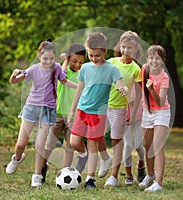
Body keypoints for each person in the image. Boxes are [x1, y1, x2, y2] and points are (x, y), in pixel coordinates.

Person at [5, 40, 77, 187]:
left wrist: (81, 87)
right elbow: (15, 81)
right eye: (45, 59)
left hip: (48, 110)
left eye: (51, 58)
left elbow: (64, 81)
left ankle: (37, 175)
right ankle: (17, 158)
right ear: (39, 56)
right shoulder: (33, 69)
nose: (48, 62)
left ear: (55, 57)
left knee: (40, 145)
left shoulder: (56, 68)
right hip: (31, 108)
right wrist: (14, 75)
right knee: (20, 144)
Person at [68, 32, 128, 189]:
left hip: (99, 113)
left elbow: (120, 83)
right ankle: (103, 158)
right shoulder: (86, 68)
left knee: (92, 145)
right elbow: (79, 89)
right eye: (91, 55)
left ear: (104, 52)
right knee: (75, 141)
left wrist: (124, 89)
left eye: (97, 55)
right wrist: (72, 110)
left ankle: (90, 179)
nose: (94, 58)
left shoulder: (111, 69)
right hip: (82, 109)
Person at [96, 31, 143, 187]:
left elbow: (139, 93)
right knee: (96, 135)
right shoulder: (112, 62)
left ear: (135, 49)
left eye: (129, 47)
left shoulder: (136, 69)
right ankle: (105, 159)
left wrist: (133, 113)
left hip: (120, 110)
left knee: (117, 142)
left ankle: (114, 177)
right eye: (123, 47)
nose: (126, 50)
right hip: (104, 106)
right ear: (119, 46)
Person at [41, 43, 86, 183]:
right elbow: (63, 76)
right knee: (49, 144)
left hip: (74, 115)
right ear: (68, 59)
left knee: (69, 146)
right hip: (58, 113)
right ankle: (42, 166)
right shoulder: (61, 70)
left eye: (81, 62)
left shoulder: (82, 74)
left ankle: (66, 171)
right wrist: (65, 60)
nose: (78, 64)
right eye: (74, 61)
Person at [138, 45, 171, 192]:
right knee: (148, 145)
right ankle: (150, 175)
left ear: (163, 61)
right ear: (147, 59)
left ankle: (158, 183)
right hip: (147, 112)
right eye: (151, 57)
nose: (154, 61)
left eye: (158, 58)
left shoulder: (164, 78)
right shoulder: (144, 69)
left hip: (162, 112)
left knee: (157, 146)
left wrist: (152, 89)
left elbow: (161, 102)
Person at [122, 82, 146, 185]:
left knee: (138, 146)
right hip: (125, 116)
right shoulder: (120, 78)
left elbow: (142, 97)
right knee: (128, 145)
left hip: (139, 116)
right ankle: (128, 175)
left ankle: (141, 163)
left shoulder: (139, 78)